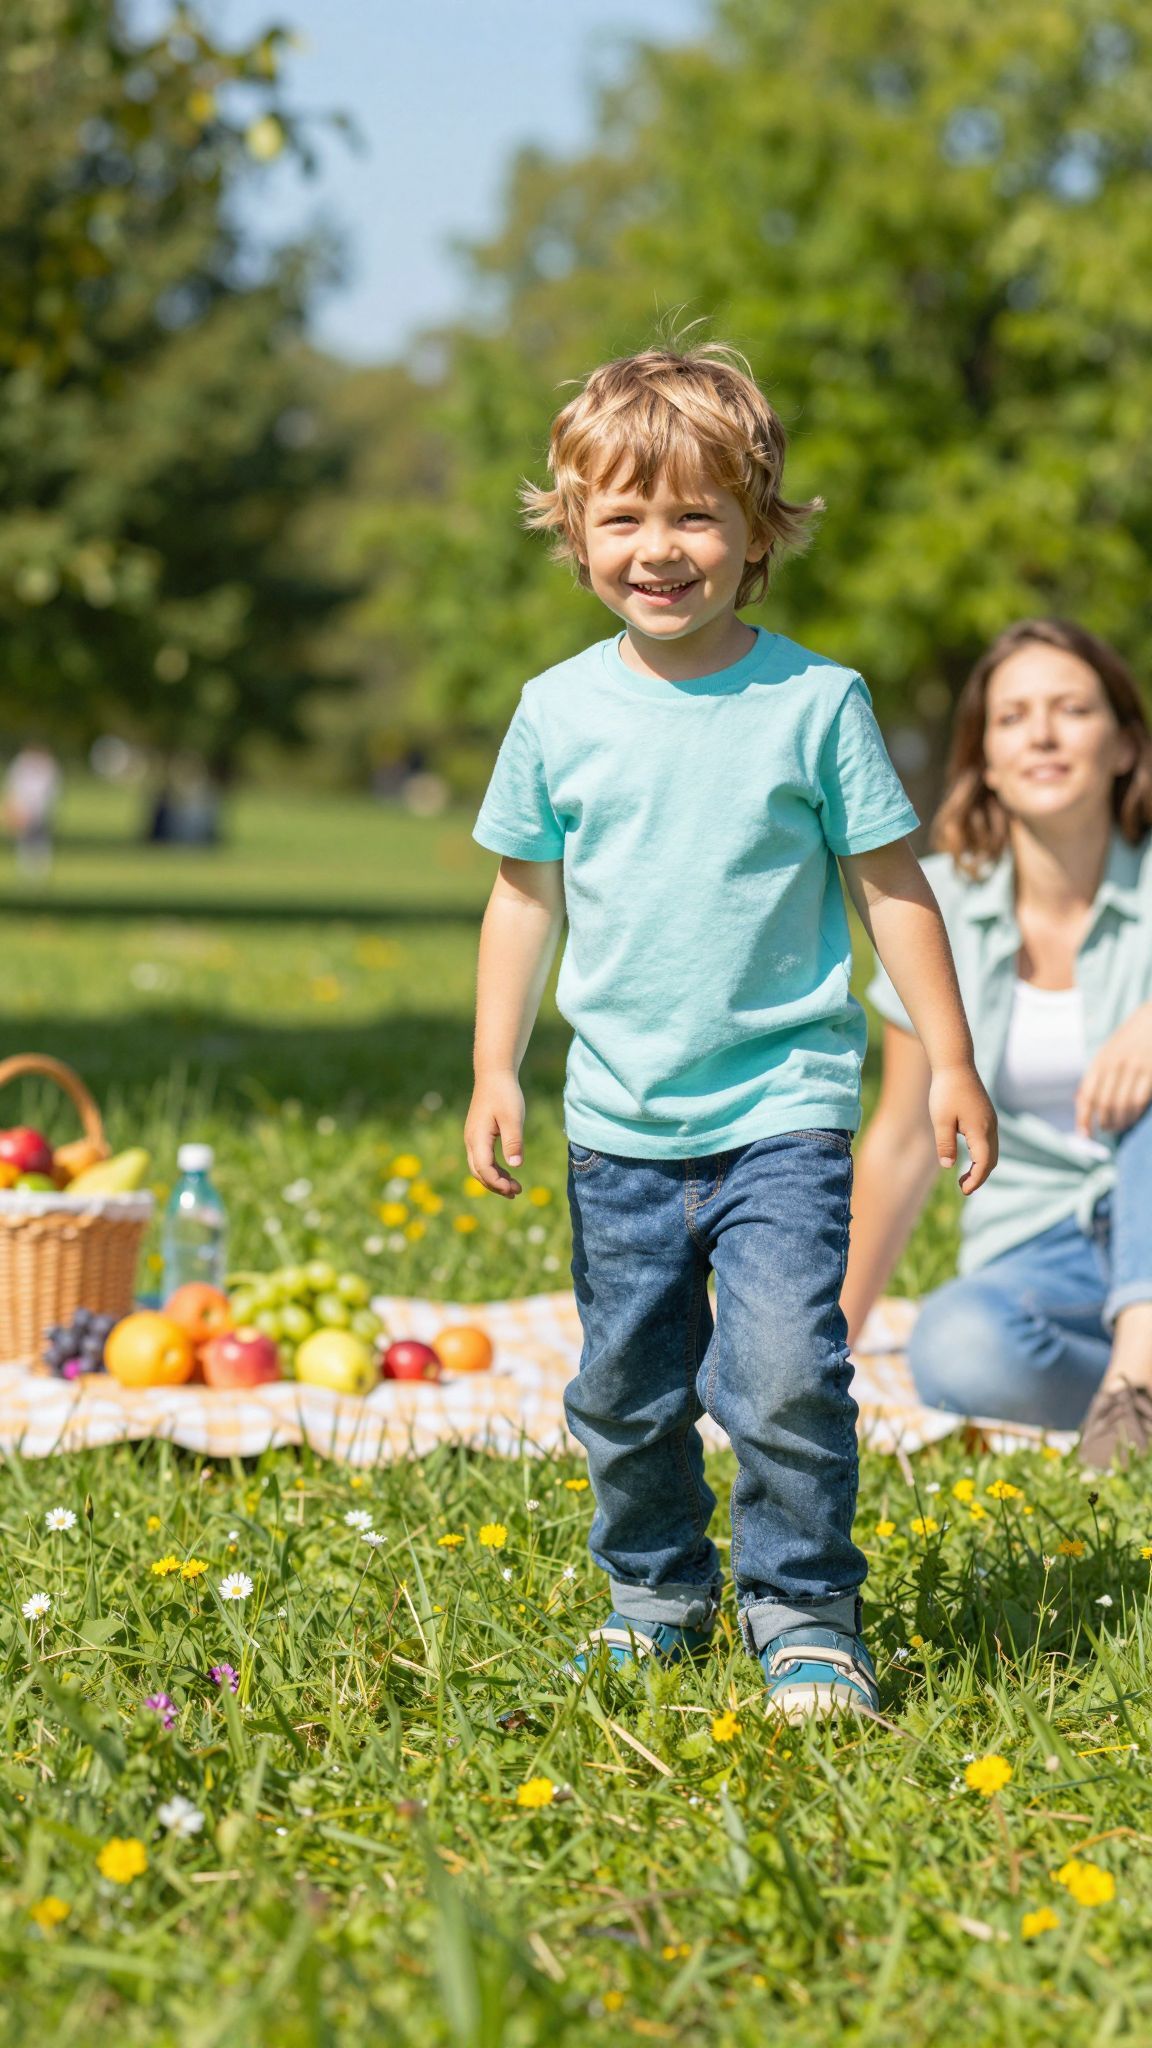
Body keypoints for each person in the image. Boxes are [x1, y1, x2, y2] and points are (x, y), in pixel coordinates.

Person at [465, 337, 996, 1721]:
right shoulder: (555, 713)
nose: (660, 546)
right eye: (625, 515)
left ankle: (805, 1608)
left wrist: (948, 1055)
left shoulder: (816, 704)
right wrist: (494, 1067)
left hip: (785, 1106)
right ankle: (653, 1591)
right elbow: (523, 901)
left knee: (779, 1371)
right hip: (618, 1121)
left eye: (697, 512)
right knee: (626, 1391)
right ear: (575, 531)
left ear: (759, 531)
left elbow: (891, 886)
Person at [842, 619, 1152, 1469]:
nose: (1042, 734)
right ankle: (1134, 1393)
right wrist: (821, 1347)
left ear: (1125, 745)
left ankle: (1138, 1372)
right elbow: (904, 1141)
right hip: (1041, 1252)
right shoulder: (933, 906)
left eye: (1071, 710)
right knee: (956, 1346)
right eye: (1013, 717)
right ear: (984, 758)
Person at [3, 745, 60, 875]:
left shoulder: (47, 767)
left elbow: (50, 793)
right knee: (25, 840)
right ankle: (29, 871)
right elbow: (13, 788)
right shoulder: (20, 766)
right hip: (25, 808)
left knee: (41, 840)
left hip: (40, 810)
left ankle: (40, 870)